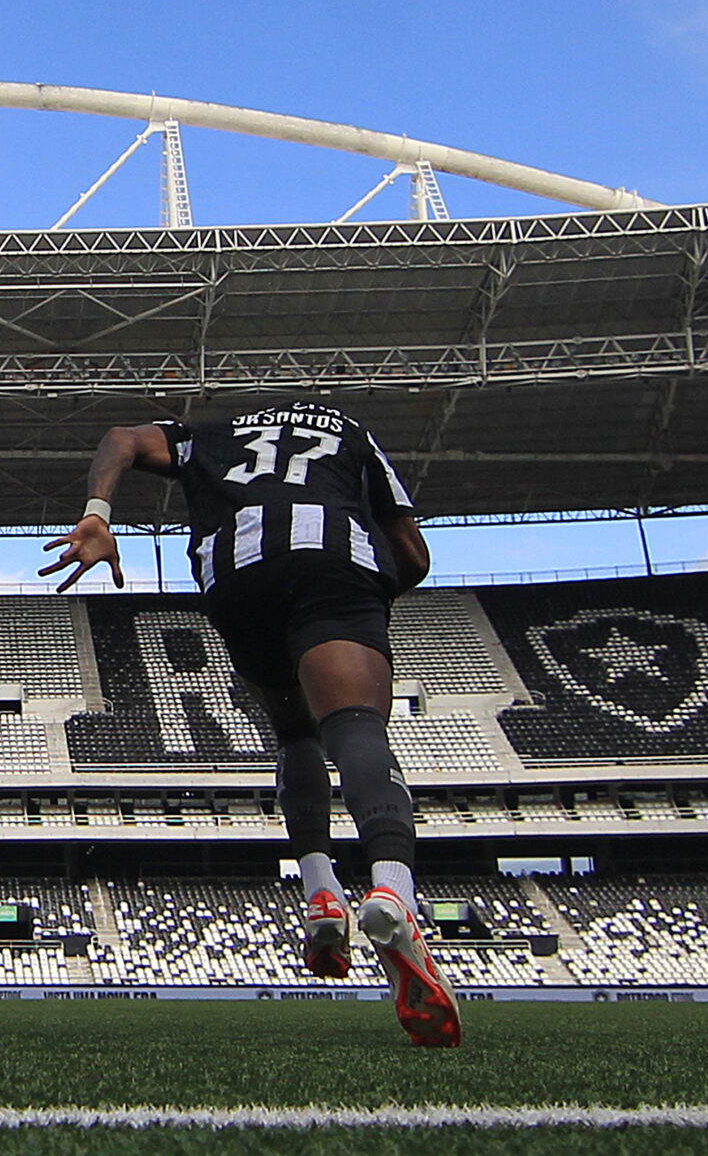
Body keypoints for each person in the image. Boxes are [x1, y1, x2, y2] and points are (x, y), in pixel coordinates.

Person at [42, 397, 459, 1047]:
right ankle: (392, 892)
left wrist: (98, 513)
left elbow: (120, 436)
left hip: (239, 577)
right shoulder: (349, 430)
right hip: (330, 564)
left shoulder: (206, 436)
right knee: (356, 725)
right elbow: (412, 549)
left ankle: (321, 889)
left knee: (295, 730)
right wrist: (368, 602)